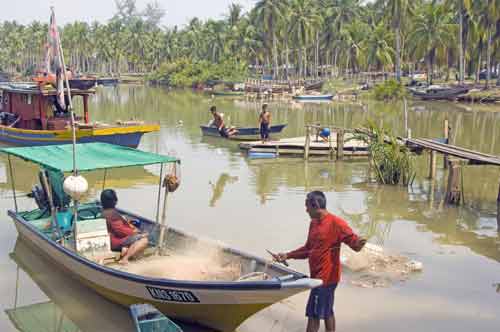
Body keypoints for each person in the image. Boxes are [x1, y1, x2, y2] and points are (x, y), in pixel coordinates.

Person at [275, 191, 366, 332]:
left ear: (316, 205)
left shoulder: (337, 223)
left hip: (326, 279)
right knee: (327, 311)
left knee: (313, 315)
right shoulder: (314, 223)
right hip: (317, 277)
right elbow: (308, 249)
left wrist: (360, 242)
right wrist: (288, 255)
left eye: (307, 207)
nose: (306, 210)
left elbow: (355, 245)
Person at [101, 189, 150, 264]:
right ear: (114, 201)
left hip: (113, 239)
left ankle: (125, 249)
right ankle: (125, 259)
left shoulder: (104, 211)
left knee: (137, 236)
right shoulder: (112, 214)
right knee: (144, 240)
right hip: (116, 241)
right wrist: (136, 233)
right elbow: (120, 231)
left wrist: (127, 223)